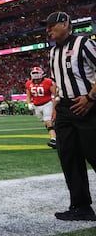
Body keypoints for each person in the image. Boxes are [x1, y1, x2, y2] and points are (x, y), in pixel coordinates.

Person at [41, 11, 96, 221]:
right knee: (69, 158)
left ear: (65, 24)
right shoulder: (53, 52)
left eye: (51, 26)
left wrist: (91, 98)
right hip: (64, 108)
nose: (47, 30)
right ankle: (81, 206)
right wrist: (56, 106)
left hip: (87, 106)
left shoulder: (83, 43)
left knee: (94, 153)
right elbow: (58, 83)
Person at [25, 66, 57, 149]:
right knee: (46, 123)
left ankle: (54, 140)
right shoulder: (28, 83)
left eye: (37, 73)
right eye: (34, 73)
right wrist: (29, 103)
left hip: (47, 104)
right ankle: (57, 136)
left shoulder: (48, 82)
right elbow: (28, 96)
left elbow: (55, 94)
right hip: (36, 106)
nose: (35, 75)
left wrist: (55, 104)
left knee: (48, 121)